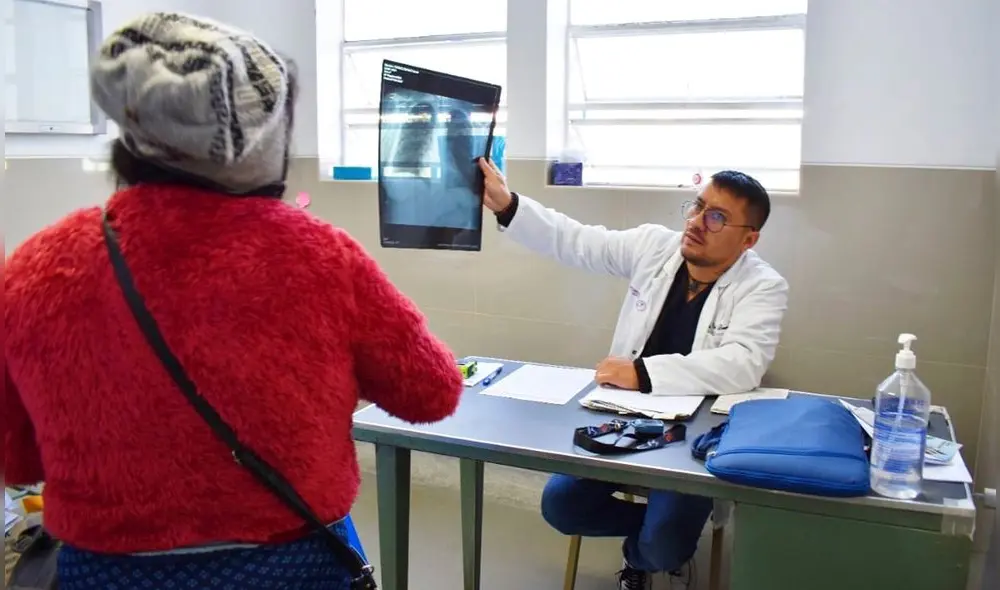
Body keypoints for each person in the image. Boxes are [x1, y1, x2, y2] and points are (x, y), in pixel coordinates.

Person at [4, 13, 463, 589]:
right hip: (291, 567)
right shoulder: (320, 257)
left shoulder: (35, 267)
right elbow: (431, 392)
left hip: (107, 574)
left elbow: (16, 460)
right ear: (266, 134)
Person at [477, 158, 789, 589]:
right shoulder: (655, 247)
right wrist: (508, 205)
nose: (697, 221)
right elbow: (578, 241)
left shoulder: (764, 286)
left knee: (661, 547)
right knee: (560, 507)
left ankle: (645, 552)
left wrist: (642, 373)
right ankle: (660, 537)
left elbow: (744, 362)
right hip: (622, 418)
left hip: (692, 437)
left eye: (717, 217)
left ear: (749, 239)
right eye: (696, 207)